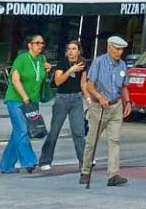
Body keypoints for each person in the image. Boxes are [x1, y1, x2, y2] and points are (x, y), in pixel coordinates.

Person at [79, 35, 131, 188]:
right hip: (99, 106)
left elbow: (124, 86)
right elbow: (89, 85)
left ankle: (113, 174)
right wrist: (99, 96)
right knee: (92, 140)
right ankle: (85, 170)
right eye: (117, 49)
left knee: (115, 140)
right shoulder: (99, 62)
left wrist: (127, 101)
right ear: (109, 47)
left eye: (121, 49)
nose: (120, 52)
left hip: (116, 105)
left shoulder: (122, 65)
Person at [0, 33, 47, 175]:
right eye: (37, 43)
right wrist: (25, 97)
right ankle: (29, 161)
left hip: (32, 101)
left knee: (17, 134)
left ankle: (7, 165)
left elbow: (42, 73)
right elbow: (15, 80)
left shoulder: (41, 59)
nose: (40, 45)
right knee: (22, 130)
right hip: (17, 100)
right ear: (29, 45)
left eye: (42, 43)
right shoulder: (21, 59)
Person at [40, 39, 89, 171]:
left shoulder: (82, 63)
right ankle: (45, 160)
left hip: (77, 98)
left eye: (74, 49)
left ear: (79, 51)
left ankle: (84, 161)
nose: (71, 52)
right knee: (54, 131)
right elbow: (58, 81)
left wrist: (88, 98)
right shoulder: (62, 63)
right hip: (62, 99)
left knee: (79, 131)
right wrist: (70, 70)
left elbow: (83, 83)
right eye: (69, 49)